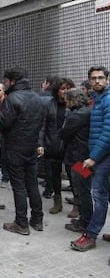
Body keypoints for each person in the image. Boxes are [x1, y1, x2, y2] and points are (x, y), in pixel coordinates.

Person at [0, 66, 44, 235]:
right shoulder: (37, 97)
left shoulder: (12, 99)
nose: (5, 85)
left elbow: (4, 123)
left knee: (19, 187)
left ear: (12, 81)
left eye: (6, 81)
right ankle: (37, 219)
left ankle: (21, 223)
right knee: (32, 185)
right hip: (31, 147)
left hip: (15, 148)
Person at [71, 67, 110, 261]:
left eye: (101, 78)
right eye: (93, 78)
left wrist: (93, 157)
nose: (97, 81)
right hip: (98, 156)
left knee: (99, 197)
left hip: (103, 158)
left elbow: (108, 132)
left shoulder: (108, 100)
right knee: (104, 195)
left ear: (107, 79)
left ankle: (90, 234)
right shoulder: (97, 99)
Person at [38, 78, 75, 215]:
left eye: (68, 88)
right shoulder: (49, 104)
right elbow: (43, 126)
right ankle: (57, 201)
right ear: (56, 90)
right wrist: (40, 144)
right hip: (52, 145)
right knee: (54, 174)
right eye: (63, 88)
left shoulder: (73, 104)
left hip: (71, 146)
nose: (65, 91)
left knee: (74, 174)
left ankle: (77, 203)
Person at [58, 88, 92, 233]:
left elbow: (63, 134)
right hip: (85, 156)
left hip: (78, 158)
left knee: (82, 190)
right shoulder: (88, 111)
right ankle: (85, 219)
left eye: (67, 100)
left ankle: (84, 222)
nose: (65, 103)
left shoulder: (76, 116)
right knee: (84, 190)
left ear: (72, 100)